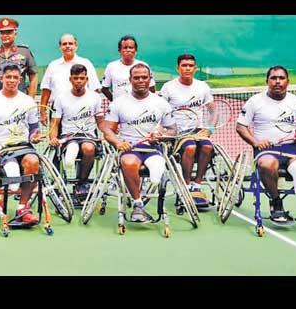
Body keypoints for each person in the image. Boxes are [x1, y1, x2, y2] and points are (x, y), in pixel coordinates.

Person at [100, 63, 175, 223]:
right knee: (128, 162)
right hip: (130, 148)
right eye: (137, 78)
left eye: (144, 77)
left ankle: (148, 196)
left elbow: (172, 131)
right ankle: (138, 205)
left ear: (150, 79)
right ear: (130, 80)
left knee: (156, 177)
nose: (141, 80)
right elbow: (107, 130)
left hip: (153, 149)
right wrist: (118, 142)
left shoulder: (161, 103)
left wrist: (161, 136)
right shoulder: (119, 103)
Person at [236, 65, 296, 223]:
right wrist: (256, 142)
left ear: (287, 82)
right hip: (267, 149)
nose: (277, 81)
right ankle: (276, 202)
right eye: (273, 78)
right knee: (267, 164)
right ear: (267, 81)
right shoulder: (255, 102)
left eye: (281, 78)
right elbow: (241, 126)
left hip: (293, 148)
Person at [0, 65, 43, 224]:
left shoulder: (28, 101)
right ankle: (1, 200)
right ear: (2, 79)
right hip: (1, 150)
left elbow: (34, 128)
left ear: (20, 80)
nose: (12, 80)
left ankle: (22, 209)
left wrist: (34, 136)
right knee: (13, 185)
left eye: (15, 77)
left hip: (24, 147)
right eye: (8, 77)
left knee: (33, 162)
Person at [159, 54, 214, 206]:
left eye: (191, 65)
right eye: (184, 65)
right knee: (189, 147)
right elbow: (160, 112)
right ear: (178, 68)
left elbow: (213, 111)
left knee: (208, 146)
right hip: (177, 133)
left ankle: (197, 184)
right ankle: (187, 185)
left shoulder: (202, 86)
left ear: (195, 68)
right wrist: (164, 132)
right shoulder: (168, 87)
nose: (188, 68)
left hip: (198, 130)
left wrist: (210, 129)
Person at [48, 64, 104, 198]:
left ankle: (82, 183)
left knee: (88, 148)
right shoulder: (61, 98)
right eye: (75, 78)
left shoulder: (95, 98)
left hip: (89, 136)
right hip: (68, 137)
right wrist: (53, 138)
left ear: (86, 79)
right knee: (68, 160)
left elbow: (100, 122)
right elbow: (55, 124)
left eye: (82, 78)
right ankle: (65, 181)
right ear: (70, 79)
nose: (79, 81)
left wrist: (107, 134)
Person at [39, 33, 101, 121]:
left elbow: (95, 89)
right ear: (60, 47)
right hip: (57, 111)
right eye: (64, 44)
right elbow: (46, 89)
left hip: (82, 110)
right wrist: (42, 112)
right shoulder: (53, 65)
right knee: (55, 134)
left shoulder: (86, 63)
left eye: (70, 43)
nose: (67, 46)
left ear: (76, 46)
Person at [0, 17, 38, 98]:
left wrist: (30, 99)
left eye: (8, 32)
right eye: (2, 33)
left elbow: (33, 77)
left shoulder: (25, 52)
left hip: (19, 99)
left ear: (15, 34)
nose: (5, 35)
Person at [101, 35, 156, 101]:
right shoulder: (111, 66)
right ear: (119, 50)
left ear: (135, 50)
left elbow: (151, 88)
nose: (128, 50)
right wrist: (115, 102)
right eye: (125, 48)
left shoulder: (143, 66)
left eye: (131, 47)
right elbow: (104, 89)